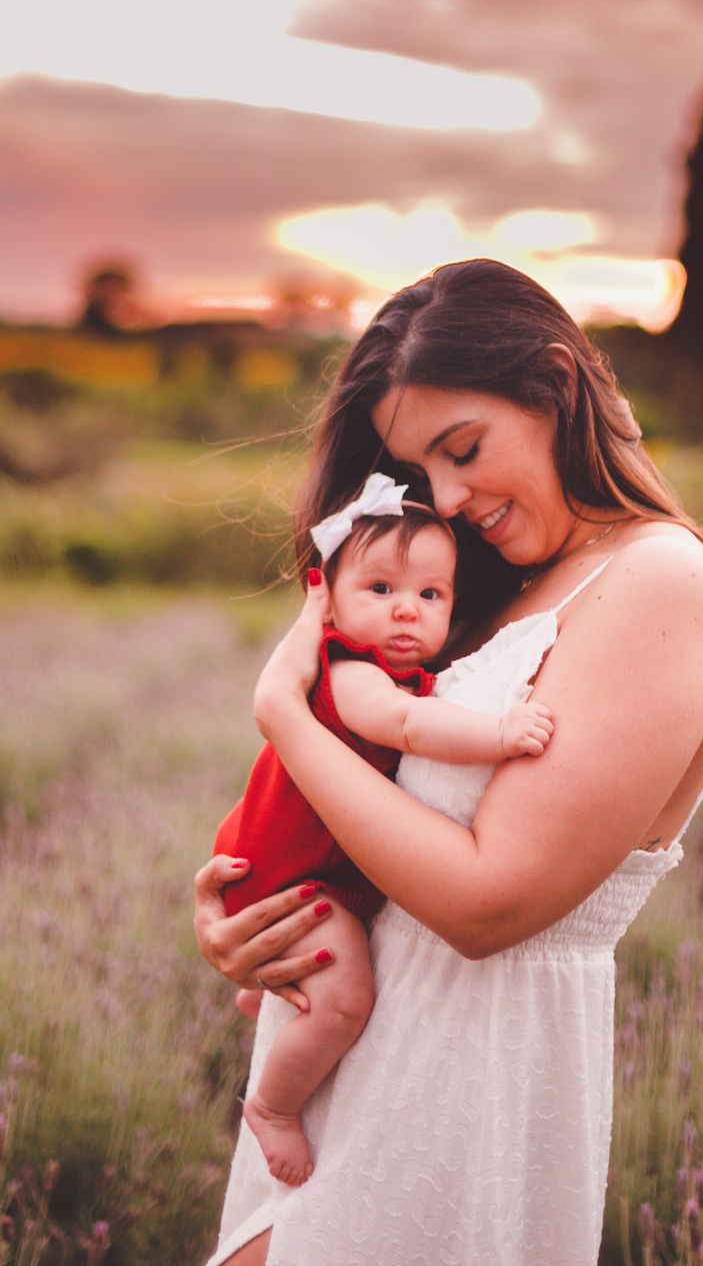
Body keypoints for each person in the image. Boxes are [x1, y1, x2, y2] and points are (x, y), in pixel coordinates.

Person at [194, 260, 703, 1266]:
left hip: (459, 1096)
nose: (444, 499)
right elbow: (371, 822)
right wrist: (248, 921)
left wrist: (285, 714)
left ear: (553, 384)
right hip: (338, 1079)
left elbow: (487, 903)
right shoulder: (501, 586)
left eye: (464, 449)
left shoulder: (661, 585)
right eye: (423, 469)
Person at [215, 481, 554, 1189]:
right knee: (345, 1002)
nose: (408, 607)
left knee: (322, 975)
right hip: (297, 877)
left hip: (300, 862)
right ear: (329, 603)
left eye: (432, 595)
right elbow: (409, 728)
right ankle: (273, 1107)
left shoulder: (397, 670)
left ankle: (266, 995)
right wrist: (498, 734)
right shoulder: (352, 672)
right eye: (380, 587)